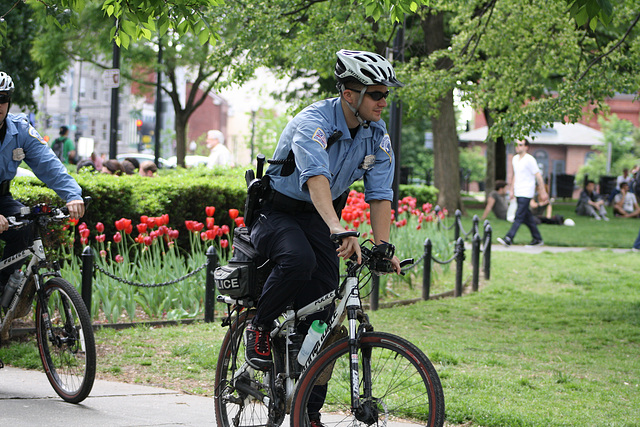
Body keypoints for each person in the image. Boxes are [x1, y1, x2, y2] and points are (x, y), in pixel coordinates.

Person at [245, 49, 403, 424]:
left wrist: (381, 247)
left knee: (323, 321)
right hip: (277, 210)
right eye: (376, 94)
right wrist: (337, 227)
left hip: (319, 215)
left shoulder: (376, 136)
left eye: (385, 94)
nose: (384, 101)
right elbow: (315, 177)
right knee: (299, 260)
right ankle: (260, 327)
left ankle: (308, 412)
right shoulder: (313, 121)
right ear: (350, 94)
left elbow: (379, 195)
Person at [0, 71, 85, 291]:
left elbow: (49, 165)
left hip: (2, 196)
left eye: (3, 99)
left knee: (25, 226)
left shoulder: (19, 130)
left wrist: (72, 195)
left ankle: (2, 288)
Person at [497, 138, 548, 247]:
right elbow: (516, 175)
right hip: (518, 191)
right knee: (527, 217)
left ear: (526, 147)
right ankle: (537, 239)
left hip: (526, 192)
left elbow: (538, 176)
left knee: (519, 216)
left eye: (520, 145)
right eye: (517, 145)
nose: (518, 147)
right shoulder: (515, 159)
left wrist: (543, 192)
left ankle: (508, 238)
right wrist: (511, 190)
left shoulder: (530, 159)